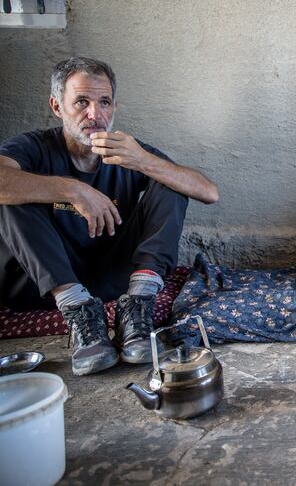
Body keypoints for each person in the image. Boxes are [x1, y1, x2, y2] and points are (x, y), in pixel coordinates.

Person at [0, 57, 219, 376]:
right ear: (57, 106)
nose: (95, 115)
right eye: (81, 102)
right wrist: (73, 190)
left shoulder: (127, 150)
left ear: (114, 106)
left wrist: (145, 161)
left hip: (111, 280)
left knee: (170, 181)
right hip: (42, 285)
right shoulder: (35, 147)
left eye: (104, 102)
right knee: (11, 192)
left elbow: (209, 192)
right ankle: (78, 314)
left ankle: (137, 307)